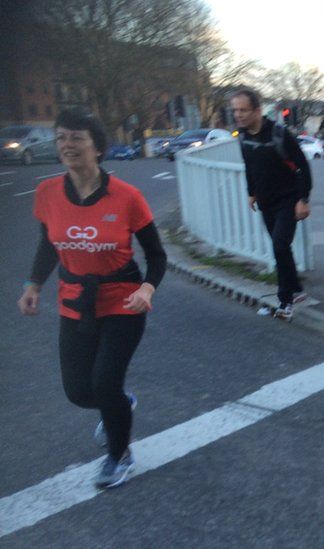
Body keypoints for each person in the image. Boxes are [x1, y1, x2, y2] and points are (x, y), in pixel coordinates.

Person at [17, 109, 167, 489]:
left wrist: (147, 288)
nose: (67, 145)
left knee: (104, 383)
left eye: (76, 138)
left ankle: (119, 455)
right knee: (79, 391)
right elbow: (47, 243)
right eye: (61, 138)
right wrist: (33, 284)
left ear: (97, 148)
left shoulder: (127, 196)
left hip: (123, 300)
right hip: (74, 301)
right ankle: (120, 404)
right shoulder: (47, 192)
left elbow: (156, 254)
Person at [231, 89, 312, 321]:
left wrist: (303, 199)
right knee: (281, 248)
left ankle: (284, 301)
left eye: (243, 110)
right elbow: (249, 166)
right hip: (266, 201)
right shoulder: (243, 136)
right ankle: (296, 290)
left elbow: (303, 167)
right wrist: (251, 192)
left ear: (257, 110)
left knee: (279, 245)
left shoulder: (279, 133)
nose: (238, 115)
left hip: (288, 198)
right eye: (235, 110)